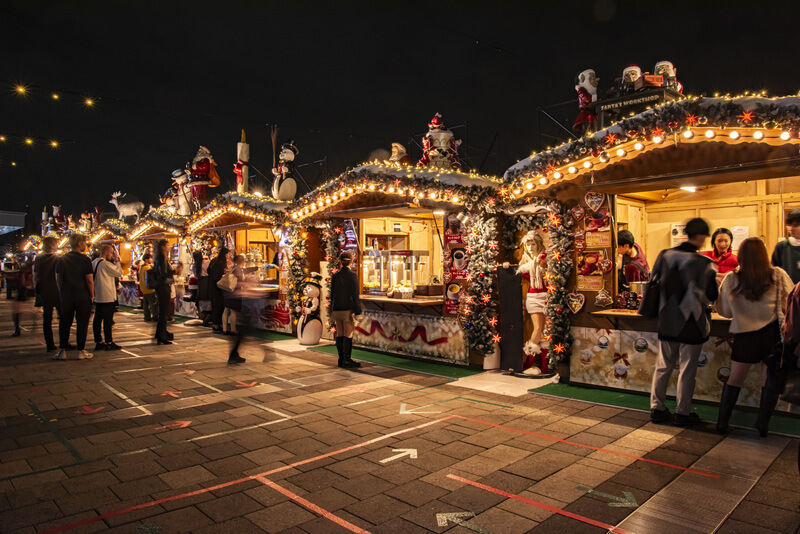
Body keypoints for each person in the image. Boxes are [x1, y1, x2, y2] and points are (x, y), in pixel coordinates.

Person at [715, 237, 793, 435]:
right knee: (769, 382)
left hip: (744, 334)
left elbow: (723, 311)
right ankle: (762, 424)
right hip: (771, 334)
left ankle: (722, 422)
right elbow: (792, 300)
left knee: (735, 379)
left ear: (741, 256)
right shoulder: (778, 275)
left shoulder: (732, 278)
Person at [649, 218, 718, 426]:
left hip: (668, 319)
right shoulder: (704, 263)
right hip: (692, 322)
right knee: (687, 370)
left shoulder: (665, 255)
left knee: (663, 366)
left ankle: (657, 409)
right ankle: (682, 413)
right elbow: (713, 294)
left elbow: (652, 282)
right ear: (701, 237)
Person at [54, 234, 94, 360]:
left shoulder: (62, 259)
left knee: (65, 322)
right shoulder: (85, 260)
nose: (85, 244)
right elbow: (89, 280)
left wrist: (62, 291)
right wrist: (92, 294)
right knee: (82, 323)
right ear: (79, 243)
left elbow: (58, 278)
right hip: (82, 294)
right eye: (84, 242)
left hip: (66, 295)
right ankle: (80, 351)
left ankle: (62, 350)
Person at [330, 251, 362, 368]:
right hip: (347, 309)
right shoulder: (353, 276)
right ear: (352, 261)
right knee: (348, 334)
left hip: (336, 309)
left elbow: (332, 294)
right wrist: (358, 311)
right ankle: (347, 360)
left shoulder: (335, 276)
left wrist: (331, 310)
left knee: (340, 334)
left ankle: (341, 359)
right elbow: (355, 296)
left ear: (340, 262)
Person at [91, 244, 124, 351]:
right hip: (107, 295)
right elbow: (119, 272)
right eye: (111, 253)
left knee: (97, 319)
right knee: (108, 320)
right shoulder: (105, 264)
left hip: (99, 295)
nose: (112, 255)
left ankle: (99, 341)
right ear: (106, 252)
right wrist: (117, 261)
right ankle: (109, 341)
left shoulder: (94, 262)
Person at [34, 237, 60, 351]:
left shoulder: (38, 258)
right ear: (52, 245)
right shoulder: (57, 258)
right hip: (56, 290)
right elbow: (59, 275)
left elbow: (36, 275)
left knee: (47, 318)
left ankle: (50, 344)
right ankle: (64, 342)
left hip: (44, 291)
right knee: (63, 317)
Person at [153, 240, 174, 345]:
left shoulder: (160, 258)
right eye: (168, 245)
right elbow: (163, 273)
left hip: (161, 287)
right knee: (164, 311)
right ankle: (161, 335)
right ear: (163, 247)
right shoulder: (162, 259)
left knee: (163, 311)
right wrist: (174, 271)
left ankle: (161, 332)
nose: (169, 247)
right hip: (163, 287)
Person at [772, 208, 800, 284]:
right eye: (789, 225)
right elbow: (774, 272)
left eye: (795, 225)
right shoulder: (781, 247)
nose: (791, 229)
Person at [222, 255, 246, 335]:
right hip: (234, 292)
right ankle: (233, 330)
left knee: (226, 310)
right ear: (242, 262)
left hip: (228, 292)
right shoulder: (239, 270)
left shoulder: (233, 268)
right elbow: (240, 282)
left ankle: (224, 329)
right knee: (233, 311)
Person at [207, 247, 229, 334]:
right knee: (218, 306)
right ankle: (216, 325)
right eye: (228, 254)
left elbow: (208, 270)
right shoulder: (221, 263)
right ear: (225, 254)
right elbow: (220, 276)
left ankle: (215, 325)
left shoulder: (214, 260)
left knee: (215, 306)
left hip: (211, 286)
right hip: (218, 288)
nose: (228, 256)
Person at [138, 254, 158, 322]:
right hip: (149, 289)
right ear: (146, 259)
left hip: (143, 289)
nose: (151, 260)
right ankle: (155, 317)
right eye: (150, 258)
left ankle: (147, 317)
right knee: (153, 304)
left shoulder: (141, 268)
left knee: (146, 305)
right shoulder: (147, 268)